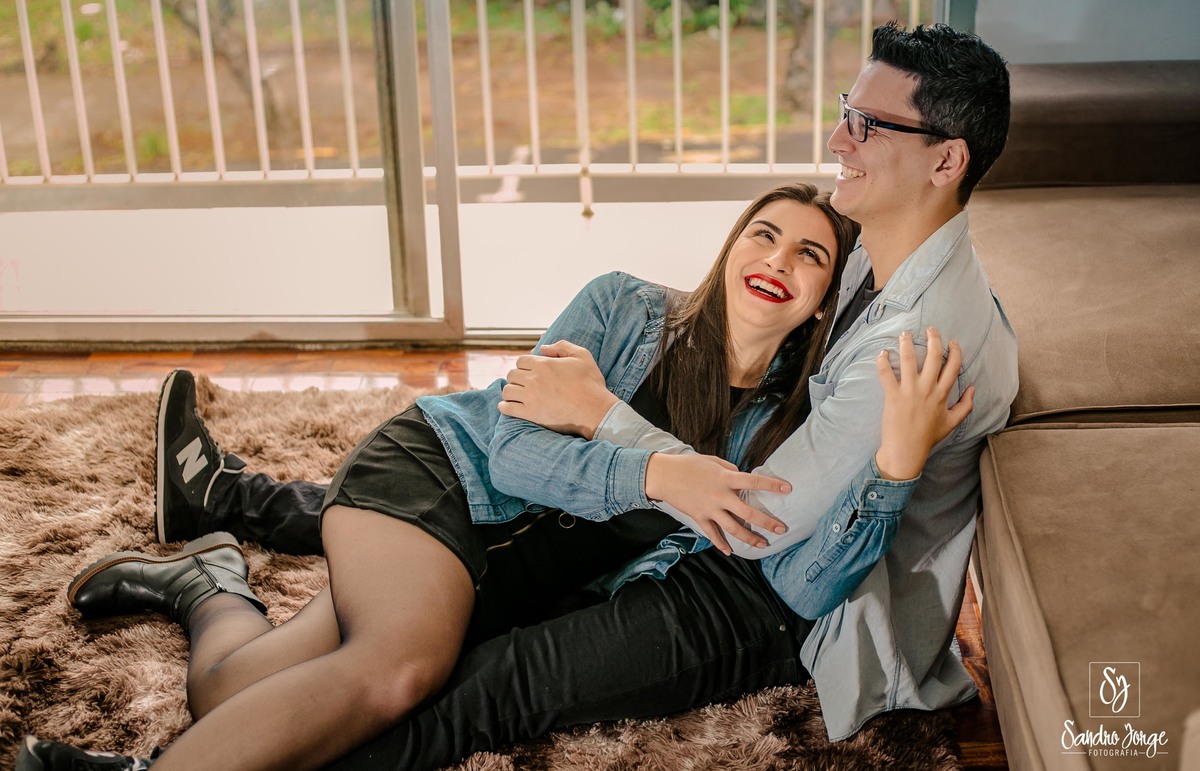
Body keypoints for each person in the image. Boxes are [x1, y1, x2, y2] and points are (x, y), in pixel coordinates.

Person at [20, 18, 1019, 768]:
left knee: (247, 686)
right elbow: (512, 452)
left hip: (601, 564)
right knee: (400, 669)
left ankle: (210, 580)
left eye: (866, 124)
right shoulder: (635, 306)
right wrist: (650, 462)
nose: (839, 140)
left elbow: (763, 527)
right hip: (447, 482)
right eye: (843, 112)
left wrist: (625, 435)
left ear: (944, 160)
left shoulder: (868, 359)